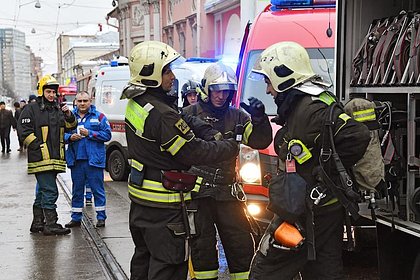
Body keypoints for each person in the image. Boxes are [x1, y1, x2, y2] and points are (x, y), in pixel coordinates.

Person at [248, 41, 371, 280]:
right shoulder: (307, 103)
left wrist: (322, 174)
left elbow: (358, 136)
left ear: (282, 75)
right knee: (323, 272)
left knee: (265, 271)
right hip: (320, 210)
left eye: (268, 81)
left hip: (306, 214)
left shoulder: (310, 109)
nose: (267, 90)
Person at [121, 41, 240, 280]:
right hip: (165, 209)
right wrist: (228, 147)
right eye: (166, 71)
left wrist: (205, 130)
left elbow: (179, 117)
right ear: (151, 73)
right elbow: (193, 152)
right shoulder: (162, 115)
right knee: (169, 266)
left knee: (143, 262)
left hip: (142, 206)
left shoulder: (139, 103)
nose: (172, 76)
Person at [182, 62, 272, 280]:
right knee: (202, 246)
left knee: (240, 244)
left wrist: (260, 121)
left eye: (226, 91)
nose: (221, 96)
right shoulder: (187, 114)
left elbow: (260, 141)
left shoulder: (239, 117)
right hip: (197, 193)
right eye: (217, 90)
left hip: (228, 192)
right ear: (207, 89)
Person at [18, 74, 77, 236]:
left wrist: (69, 114)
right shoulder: (31, 109)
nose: (52, 95)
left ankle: (37, 223)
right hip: (41, 159)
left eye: (53, 92)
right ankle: (51, 224)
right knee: (51, 190)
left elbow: (71, 126)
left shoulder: (58, 108)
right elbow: (24, 132)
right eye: (49, 92)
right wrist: (38, 146)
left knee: (42, 192)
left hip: (55, 157)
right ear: (41, 91)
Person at [64, 91, 111, 228]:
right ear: (76, 102)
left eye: (85, 101)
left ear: (90, 101)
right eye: (80, 101)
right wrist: (69, 138)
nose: (82, 104)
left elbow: (107, 135)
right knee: (77, 191)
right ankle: (76, 218)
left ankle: (101, 218)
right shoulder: (69, 118)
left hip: (94, 161)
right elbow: (61, 135)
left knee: (98, 190)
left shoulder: (99, 116)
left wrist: (90, 133)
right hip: (77, 160)